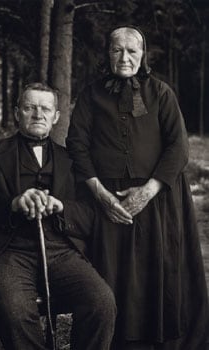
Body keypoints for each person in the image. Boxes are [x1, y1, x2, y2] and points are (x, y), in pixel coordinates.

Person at [66, 26, 209, 350]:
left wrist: (148, 191)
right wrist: (100, 195)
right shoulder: (91, 95)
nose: (125, 57)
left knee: (157, 271)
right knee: (113, 276)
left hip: (157, 200)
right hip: (107, 200)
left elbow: (179, 146)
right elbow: (77, 144)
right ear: (108, 54)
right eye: (117, 50)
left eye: (132, 50)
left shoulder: (160, 93)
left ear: (143, 55)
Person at [0, 82, 117, 350]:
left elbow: (91, 215)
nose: (38, 114)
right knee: (15, 314)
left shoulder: (71, 160)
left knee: (102, 302)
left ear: (55, 117)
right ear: (17, 112)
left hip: (61, 251)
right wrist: (12, 204)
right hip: (6, 253)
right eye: (30, 107)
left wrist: (61, 206)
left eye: (45, 109)